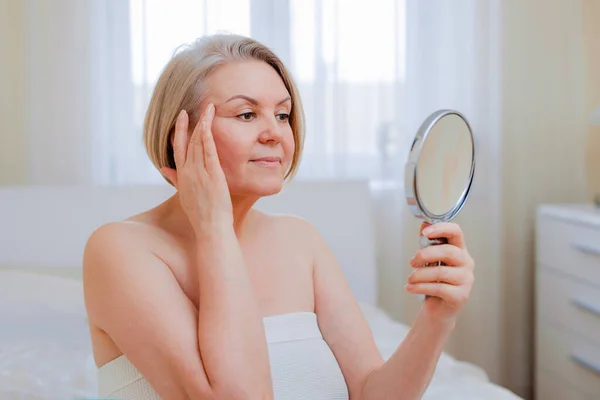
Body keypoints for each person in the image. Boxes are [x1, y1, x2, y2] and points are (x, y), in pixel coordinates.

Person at [82, 33, 475, 400]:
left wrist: (438, 317)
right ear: (180, 135)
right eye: (246, 115)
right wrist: (215, 227)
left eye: (283, 115)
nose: (274, 132)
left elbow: (372, 393)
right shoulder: (120, 249)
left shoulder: (300, 240)